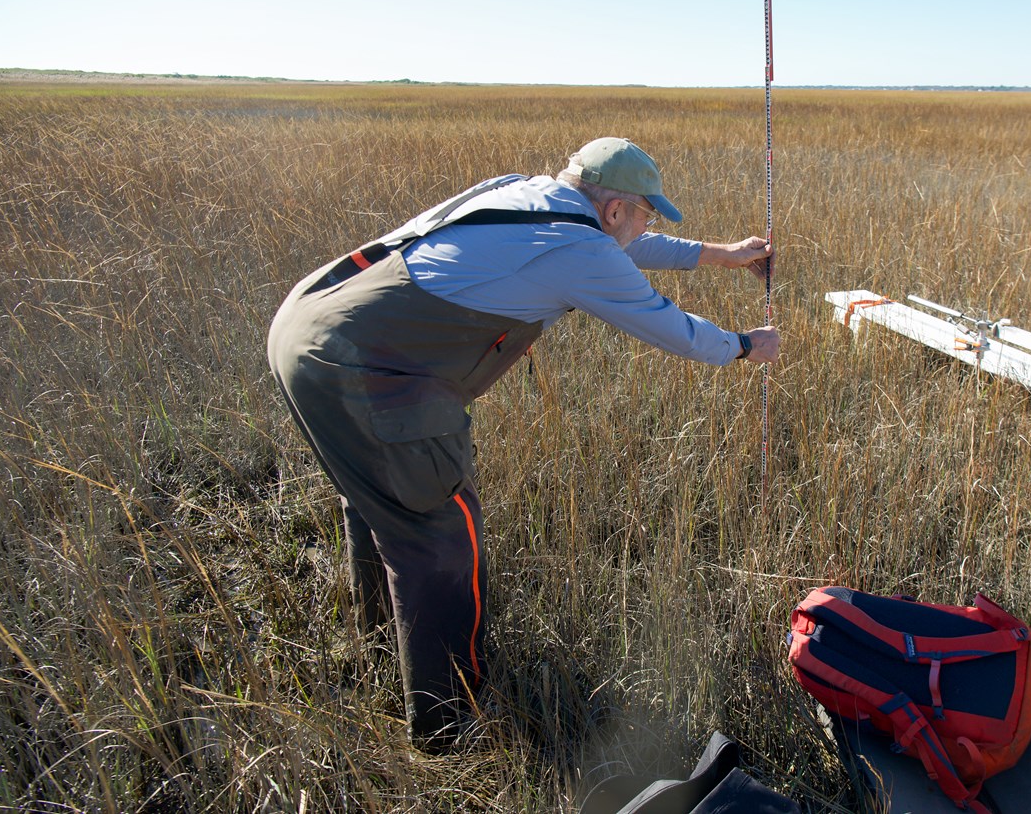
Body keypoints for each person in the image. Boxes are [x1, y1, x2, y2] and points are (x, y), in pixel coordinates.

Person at [267, 137, 779, 747]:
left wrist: (720, 255)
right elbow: (674, 328)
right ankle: (446, 729)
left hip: (307, 329)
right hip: (367, 371)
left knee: (376, 499)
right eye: (645, 211)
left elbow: (623, 246)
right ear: (614, 209)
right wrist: (746, 345)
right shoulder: (585, 247)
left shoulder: (527, 193)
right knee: (437, 544)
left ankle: (377, 635)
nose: (646, 224)